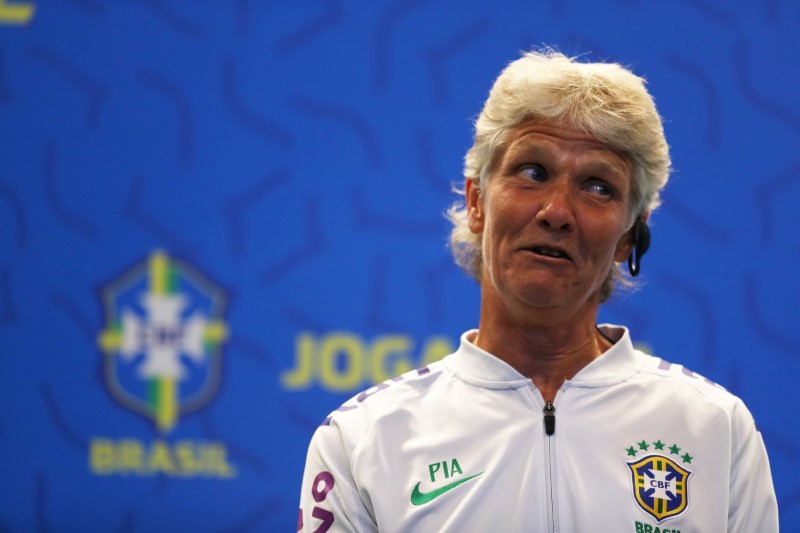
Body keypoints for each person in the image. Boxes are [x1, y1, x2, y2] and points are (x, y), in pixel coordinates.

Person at [296, 49, 778, 532]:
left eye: (598, 187)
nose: (557, 212)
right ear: (477, 201)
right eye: (532, 172)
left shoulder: (716, 429)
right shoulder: (362, 440)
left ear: (629, 237)